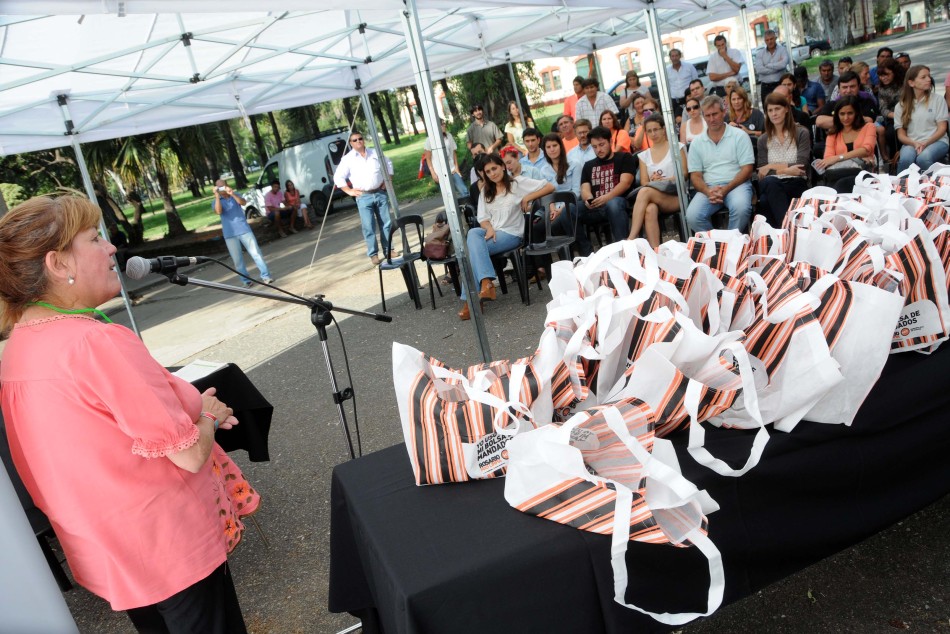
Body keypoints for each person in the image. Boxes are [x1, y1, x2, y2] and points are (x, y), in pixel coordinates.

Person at [0, 195, 259, 633]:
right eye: (95, 238)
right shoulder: (94, 342)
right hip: (169, 547)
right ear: (59, 263)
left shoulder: (18, 351)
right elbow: (190, 455)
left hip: (113, 552)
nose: (111, 248)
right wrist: (209, 416)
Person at [459, 154, 554, 320]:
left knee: (471, 253)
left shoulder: (517, 184)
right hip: (492, 232)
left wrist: (527, 197)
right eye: (488, 171)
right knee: (473, 233)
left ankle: (472, 301)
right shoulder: (485, 191)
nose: (492, 173)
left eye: (494, 168)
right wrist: (488, 228)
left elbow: (549, 186)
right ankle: (485, 282)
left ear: (502, 166)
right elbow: (482, 218)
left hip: (512, 233)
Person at [686, 95, 755, 233]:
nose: (711, 119)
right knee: (692, 216)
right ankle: (718, 245)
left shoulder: (739, 136)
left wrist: (726, 189)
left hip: (737, 184)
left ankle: (730, 242)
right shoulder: (696, 143)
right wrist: (707, 191)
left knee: (741, 208)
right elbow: (695, 176)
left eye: (715, 114)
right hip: (709, 188)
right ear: (703, 116)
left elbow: (747, 169)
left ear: (724, 112)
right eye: (708, 115)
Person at [333, 130, 397, 266]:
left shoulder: (375, 153)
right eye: (354, 140)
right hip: (363, 196)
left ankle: (389, 249)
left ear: (364, 140)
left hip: (379, 192)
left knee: (386, 223)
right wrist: (349, 191)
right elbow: (338, 177)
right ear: (350, 143)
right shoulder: (348, 159)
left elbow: (388, 164)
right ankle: (373, 254)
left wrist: (387, 180)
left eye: (360, 139)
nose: (358, 142)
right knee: (368, 226)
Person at [628, 114, 687, 248]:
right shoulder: (644, 155)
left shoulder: (677, 147)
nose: (653, 133)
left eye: (656, 129)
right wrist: (654, 180)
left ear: (663, 129)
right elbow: (644, 181)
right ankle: (656, 252)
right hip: (655, 196)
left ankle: (631, 239)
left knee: (644, 192)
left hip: (676, 196)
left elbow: (684, 173)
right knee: (649, 209)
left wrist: (664, 180)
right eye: (649, 131)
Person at [756, 92, 811, 226]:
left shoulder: (801, 133)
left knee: (765, 200)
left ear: (786, 109)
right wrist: (786, 170)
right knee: (771, 183)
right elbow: (761, 173)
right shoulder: (763, 140)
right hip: (771, 183)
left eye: (777, 109)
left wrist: (771, 166)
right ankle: (788, 229)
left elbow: (801, 166)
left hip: (796, 181)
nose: (774, 113)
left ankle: (781, 232)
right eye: (770, 110)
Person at [579, 126, 638, 243]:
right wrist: (589, 199)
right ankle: (586, 252)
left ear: (610, 141)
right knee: (570, 210)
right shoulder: (588, 165)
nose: (598, 150)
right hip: (595, 206)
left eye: (601, 145)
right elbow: (584, 189)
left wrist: (606, 198)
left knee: (613, 203)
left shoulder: (624, 157)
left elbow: (625, 183)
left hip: (619, 203)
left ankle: (623, 246)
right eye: (594, 147)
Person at [213, 179, 274, 287]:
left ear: (227, 185)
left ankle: (266, 276)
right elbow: (218, 211)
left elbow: (243, 202)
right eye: (218, 188)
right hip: (229, 234)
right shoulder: (216, 200)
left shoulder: (235, 194)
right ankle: (246, 280)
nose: (221, 189)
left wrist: (232, 194)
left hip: (244, 229)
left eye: (222, 187)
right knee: (237, 260)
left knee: (256, 253)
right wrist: (217, 196)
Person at [542, 132, 591, 255]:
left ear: (561, 146)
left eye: (555, 145)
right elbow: (547, 194)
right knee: (549, 224)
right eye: (548, 147)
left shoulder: (574, 164)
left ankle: (584, 249)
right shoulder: (544, 170)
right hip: (554, 208)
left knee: (565, 215)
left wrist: (560, 209)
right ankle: (568, 257)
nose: (552, 149)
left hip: (573, 203)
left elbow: (576, 191)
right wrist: (552, 209)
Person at [816, 95, 876, 193]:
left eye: (850, 113)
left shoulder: (869, 127)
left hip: (862, 174)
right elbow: (828, 159)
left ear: (856, 113)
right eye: (842, 114)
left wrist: (838, 158)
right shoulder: (833, 133)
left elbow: (866, 150)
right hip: (839, 173)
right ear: (837, 115)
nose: (846, 117)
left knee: (839, 183)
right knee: (836, 180)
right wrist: (857, 156)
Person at [894, 65, 949, 173]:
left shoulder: (937, 100)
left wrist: (926, 143)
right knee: (906, 159)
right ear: (911, 83)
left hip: (937, 141)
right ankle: (900, 186)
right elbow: (901, 135)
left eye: (929, 76)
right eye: (923, 77)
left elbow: (942, 128)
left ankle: (931, 186)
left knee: (923, 158)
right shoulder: (900, 106)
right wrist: (915, 143)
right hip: (912, 143)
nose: (929, 79)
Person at [815, 71, 881, 132]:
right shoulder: (833, 104)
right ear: (839, 89)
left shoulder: (867, 101)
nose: (848, 90)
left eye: (852, 86)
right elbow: (819, 121)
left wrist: (836, 122)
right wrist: (854, 120)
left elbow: (869, 120)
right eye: (844, 87)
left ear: (858, 87)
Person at [423, 119, 469, 200]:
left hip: (452, 170)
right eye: (442, 124)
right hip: (439, 173)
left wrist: (457, 168)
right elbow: (428, 159)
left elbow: (454, 152)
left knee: (464, 191)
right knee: (449, 197)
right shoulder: (429, 140)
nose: (444, 125)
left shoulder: (449, 136)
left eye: (444, 124)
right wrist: (433, 173)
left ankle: (468, 210)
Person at [874, 58, 905, 163]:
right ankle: (895, 160)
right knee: (891, 134)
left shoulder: (905, 84)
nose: (883, 78)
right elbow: (883, 109)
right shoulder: (882, 89)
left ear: (895, 72)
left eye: (887, 74)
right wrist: (897, 116)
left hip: (911, 114)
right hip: (894, 118)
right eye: (881, 75)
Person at [754, 29, 790, 105]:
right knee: (767, 109)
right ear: (764, 41)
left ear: (775, 38)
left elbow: (783, 64)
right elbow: (759, 70)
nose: (769, 42)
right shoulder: (760, 54)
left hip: (779, 84)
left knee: (782, 106)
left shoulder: (782, 50)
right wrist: (777, 67)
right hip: (766, 87)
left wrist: (768, 65)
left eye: (771, 39)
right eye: (767, 40)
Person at [667, 48, 699, 117]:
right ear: (670, 58)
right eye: (672, 56)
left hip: (688, 99)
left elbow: (696, 81)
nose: (674, 58)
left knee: (691, 117)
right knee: (677, 119)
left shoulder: (689, 66)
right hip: (675, 101)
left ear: (680, 56)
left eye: (676, 55)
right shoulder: (667, 70)